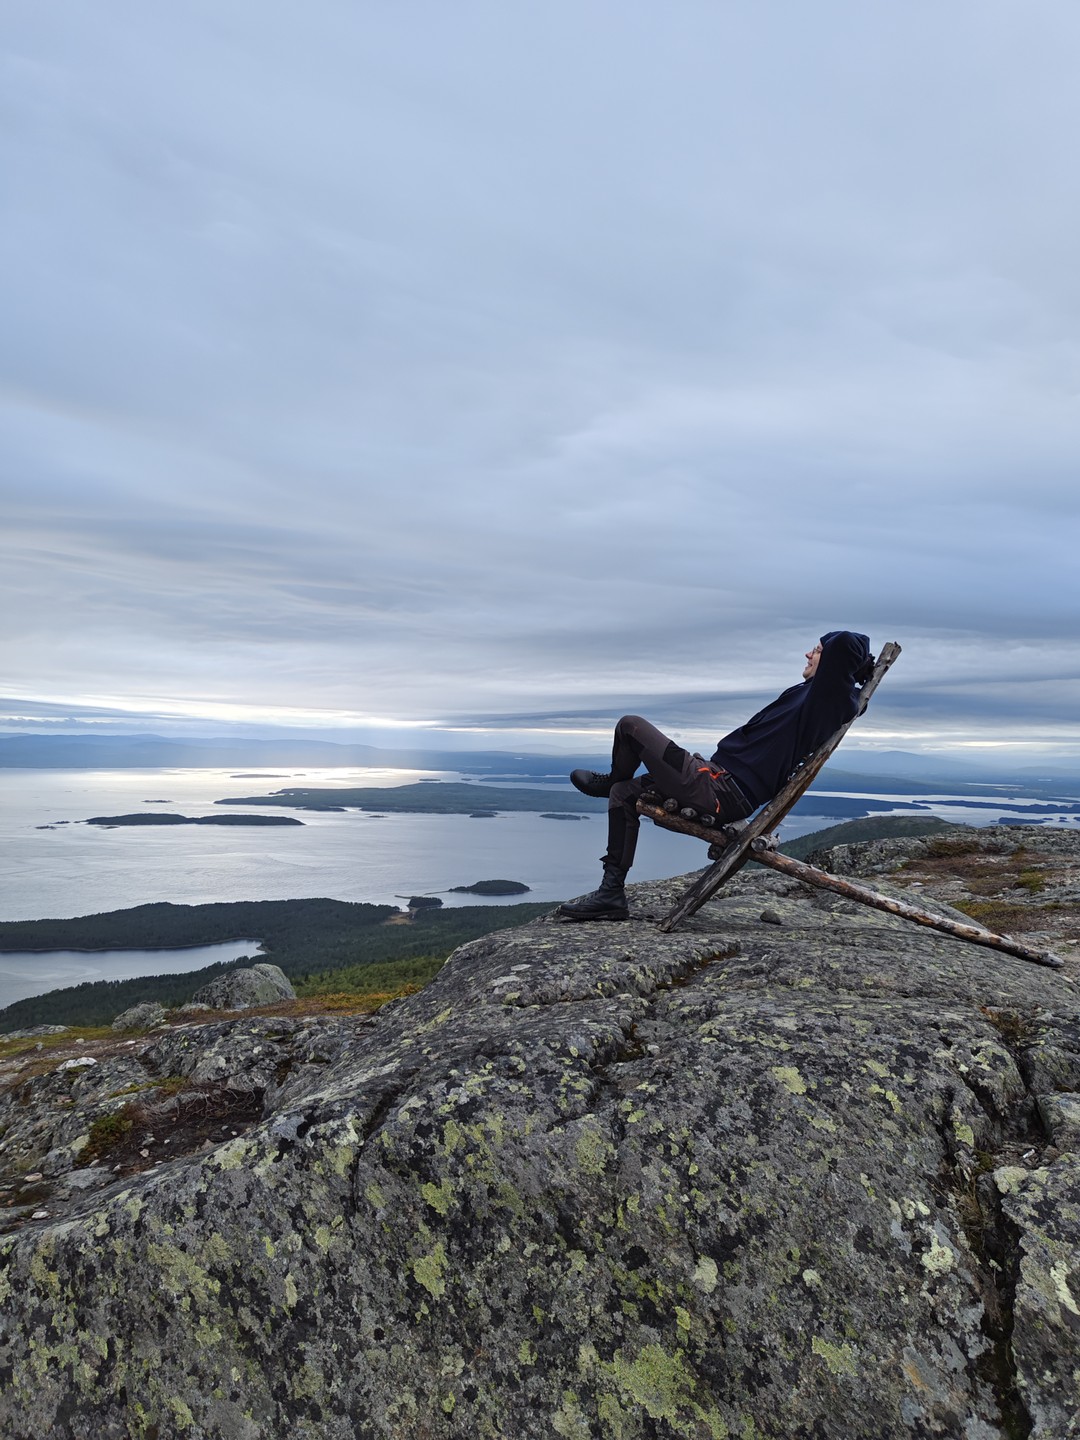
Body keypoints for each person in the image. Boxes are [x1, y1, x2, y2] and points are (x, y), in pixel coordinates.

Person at [557, 630, 874, 922]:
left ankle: (613, 777)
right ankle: (611, 894)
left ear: (834, 661)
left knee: (631, 726)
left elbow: (846, 643)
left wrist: (854, 658)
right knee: (624, 793)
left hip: (719, 788)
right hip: (716, 780)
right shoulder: (811, 695)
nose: (808, 654)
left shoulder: (828, 698)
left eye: (817, 651)